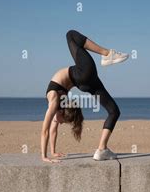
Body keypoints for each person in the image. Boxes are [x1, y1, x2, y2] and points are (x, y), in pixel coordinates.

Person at [41, 30, 129, 163]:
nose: (59, 122)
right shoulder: (57, 106)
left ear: (61, 111)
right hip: (85, 78)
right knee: (70, 35)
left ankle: (102, 150)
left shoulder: (54, 102)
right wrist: (52, 152)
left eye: (62, 121)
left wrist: (44, 156)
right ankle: (107, 54)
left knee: (114, 111)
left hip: (83, 78)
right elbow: (52, 130)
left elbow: (46, 131)